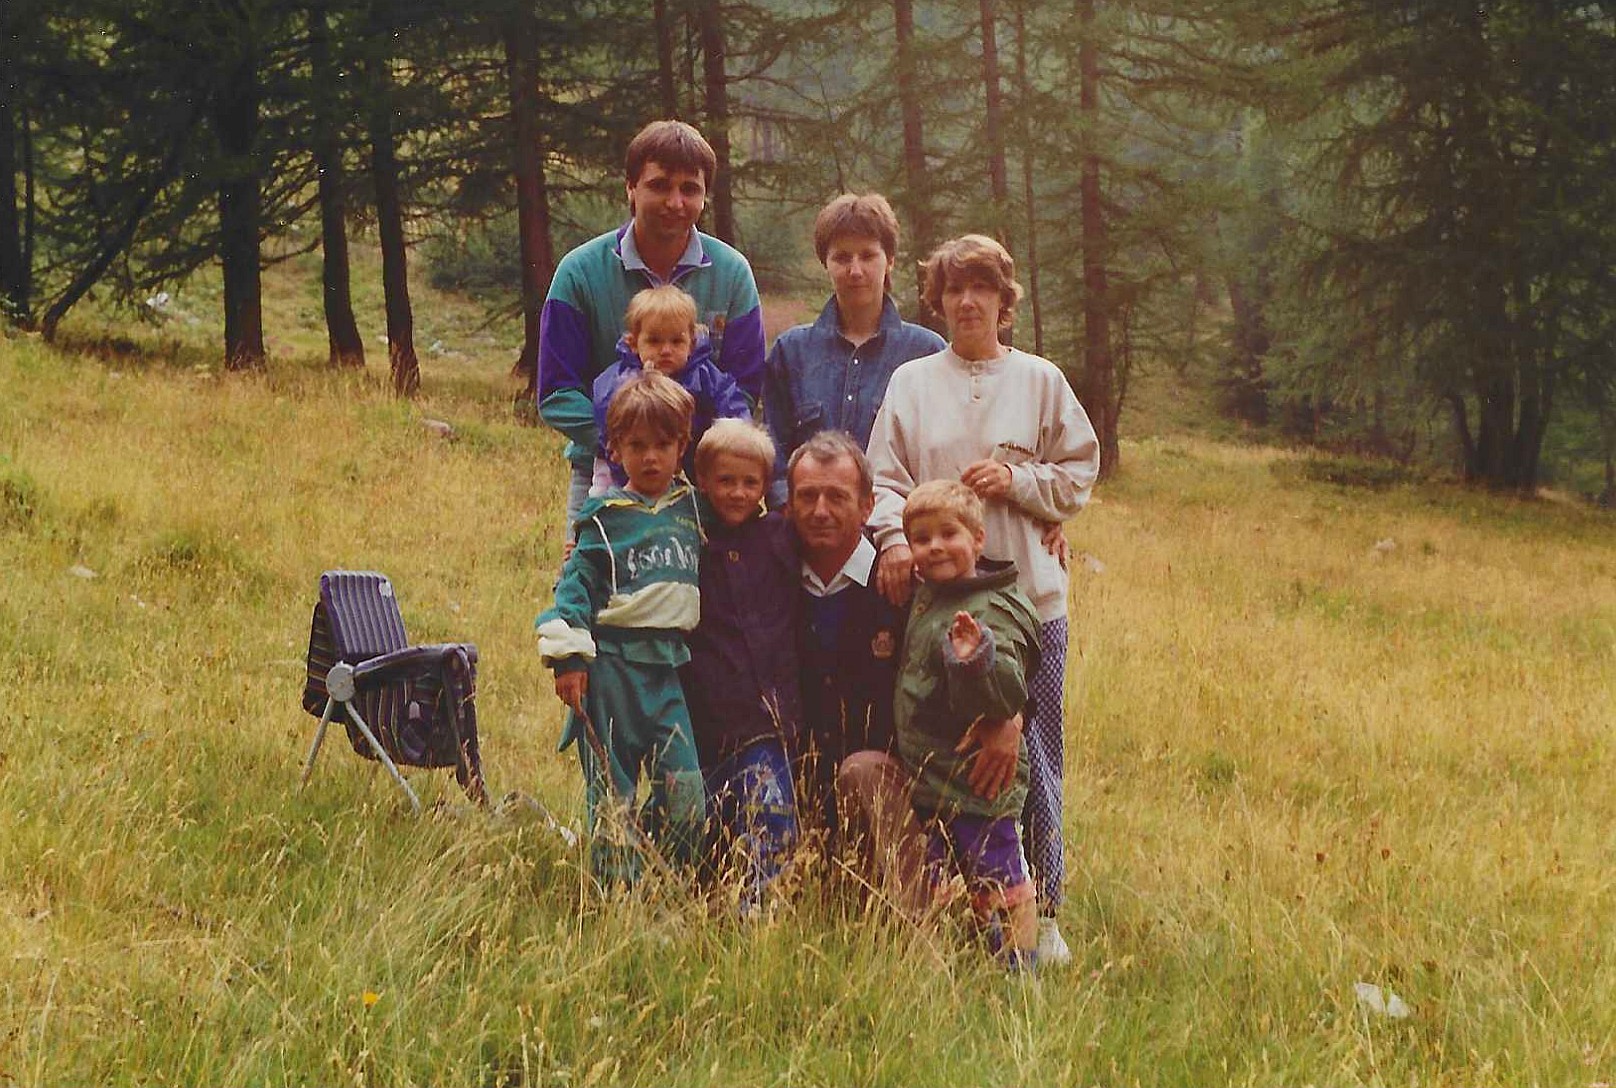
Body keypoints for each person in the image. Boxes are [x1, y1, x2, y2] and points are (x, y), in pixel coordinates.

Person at [866, 234, 1101, 964]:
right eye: (953, 289)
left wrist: (1021, 485)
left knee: (1031, 755)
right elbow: (882, 479)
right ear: (935, 300)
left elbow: (1079, 473)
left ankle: (1045, 913)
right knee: (942, 753)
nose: (968, 302)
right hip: (939, 610)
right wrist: (894, 543)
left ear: (1005, 301)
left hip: (1030, 601)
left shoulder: (1039, 380)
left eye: (983, 289)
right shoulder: (912, 381)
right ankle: (965, 905)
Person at [786, 430, 1024, 914]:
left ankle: (926, 931)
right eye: (806, 496)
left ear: (869, 504)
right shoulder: (770, 572)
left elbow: (995, 643)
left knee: (865, 771)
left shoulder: (908, 584)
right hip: (795, 788)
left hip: (906, 793)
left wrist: (1011, 717)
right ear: (787, 503)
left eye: (837, 496)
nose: (820, 511)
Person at [538, 119, 766, 541]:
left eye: (690, 189)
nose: (675, 202)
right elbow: (556, 393)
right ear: (630, 188)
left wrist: (685, 449)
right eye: (659, 185)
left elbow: (746, 387)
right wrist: (632, 443)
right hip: (604, 477)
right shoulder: (580, 272)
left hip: (702, 481)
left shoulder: (732, 274)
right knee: (597, 595)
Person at [535, 371, 706, 887]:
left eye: (662, 445)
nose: (650, 457)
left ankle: (668, 880)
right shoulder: (603, 519)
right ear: (614, 448)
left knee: (685, 792)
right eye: (636, 446)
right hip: (613, 669)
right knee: (613, 791)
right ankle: (617, 895)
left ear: (683, 447)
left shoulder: (693, 509)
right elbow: (574, 592)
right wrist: (569, 661)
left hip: (670, 673)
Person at [894, 480, 1043, 971]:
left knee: (1000, 877)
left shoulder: (995, 607)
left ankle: (1021, 975)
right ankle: (964, 959)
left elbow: (1010, 691)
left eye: (948, 534)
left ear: (978, 539)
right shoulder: (930, 595)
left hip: (980, 779)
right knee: (949, 882)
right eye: (921, 538)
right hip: (934, 778)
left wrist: (978, 660)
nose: (934, 546)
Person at [683, 419, 803, 915]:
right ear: (703, 479)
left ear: (765, 485)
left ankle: (759, 906)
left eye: (750, 482)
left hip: (767, 714)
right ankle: (703, 896)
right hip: (706, 711)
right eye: (725, 480)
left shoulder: (779, 535)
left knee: (772, 812)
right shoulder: (688, 536)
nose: (737, 493)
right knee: (710, 812)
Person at [762, 193, 945, 507]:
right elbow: (774, 453)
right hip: (807, 533)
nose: (855, 270)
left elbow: (942, 458)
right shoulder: (790, 352)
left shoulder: (927, 352)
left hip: (898, 535)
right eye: (842, 257)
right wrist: (787, 514)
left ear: (890, 260)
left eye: (868, 255)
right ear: (826, 264)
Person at [590, 285, 750, 494]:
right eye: (654, 341)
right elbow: (606, 415)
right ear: (634, 343)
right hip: (626, 472)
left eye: (676, 341)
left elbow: (731, 403)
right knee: (607, 498)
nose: (666, 350)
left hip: (691, 464)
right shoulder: (621, 379)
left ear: (691, 343)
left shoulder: (704, 375)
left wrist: (736, 435)